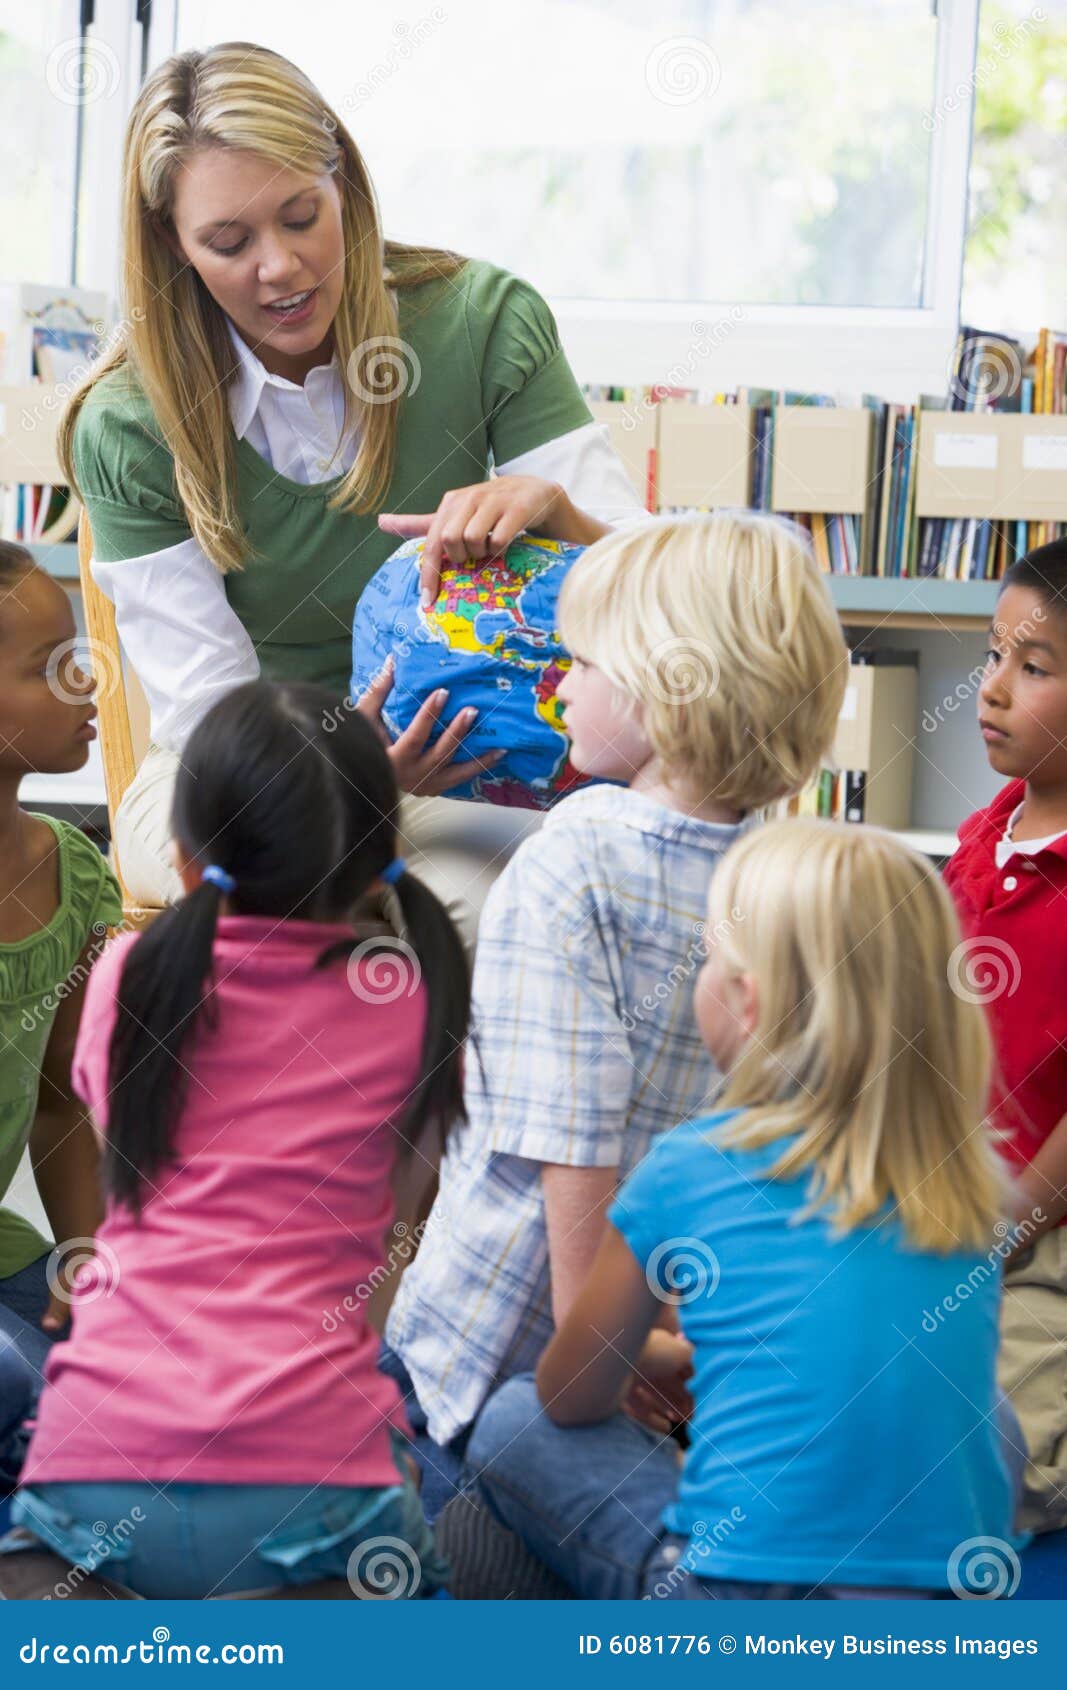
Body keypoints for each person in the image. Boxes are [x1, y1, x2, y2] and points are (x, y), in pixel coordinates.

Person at [61, 41, 644, 941]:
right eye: (228, 242)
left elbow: (673, 603)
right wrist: (352, 773)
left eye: (302, 216)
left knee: (535, 898)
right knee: (286, 884)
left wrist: (559, 513)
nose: (281, 267)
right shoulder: (129, 424)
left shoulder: (482, 322)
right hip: (236, 768)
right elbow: (212, 709)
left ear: (347, 186)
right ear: (171, 246)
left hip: (460, 759)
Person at [383, 511, 850, 1517]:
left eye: (583, 662)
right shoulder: (779, 871)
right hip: (669, 1340)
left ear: (666, 688)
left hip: (505, 1351)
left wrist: (589, 1341)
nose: (555, 683)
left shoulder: (573, 857)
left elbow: (573, 1147)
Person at [466, 820, 1019, 1599]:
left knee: (512, 1419)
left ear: (747, 1002)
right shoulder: (968, 1181)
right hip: (946, 1601)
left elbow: (571, 1392)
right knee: (985, 1409)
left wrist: (657, 1361)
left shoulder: (686, 1169)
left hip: (740, 1609)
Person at [1, 680, 465, 1598]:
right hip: (315, 1484)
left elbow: (123, 1158)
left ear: (180, 859)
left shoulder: (131, 975)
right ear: (382, 861)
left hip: (96, 1463)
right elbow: (391, 1250)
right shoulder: (414, 1001)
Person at [944, 537, 1067, 1534]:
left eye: (1032, 669)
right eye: (992, 656)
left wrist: (1009, 1223)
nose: (990, 689)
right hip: (944, 1196)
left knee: (1004, 1468)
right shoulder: (984, 831)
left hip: (1042, 1231)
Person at [0, 542, 122, 1490]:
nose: (87, 678)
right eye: (47, 666)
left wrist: (88, 1258)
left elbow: (60, 1107)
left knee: (138, 1385)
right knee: (41, 1413)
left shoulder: (76, 874)